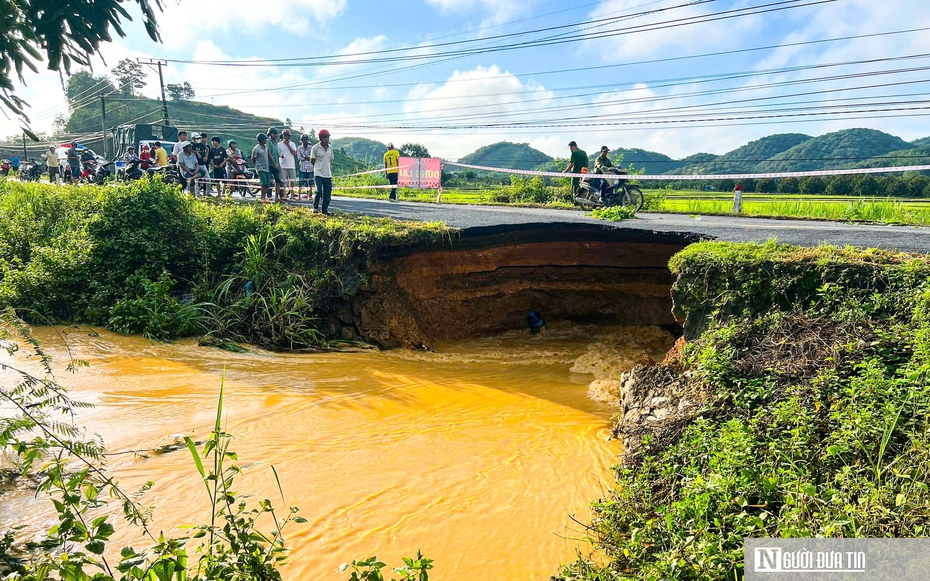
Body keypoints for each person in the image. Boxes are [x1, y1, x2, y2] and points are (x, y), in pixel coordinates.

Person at [310, 129, 335, 214]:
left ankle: (325, 210)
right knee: (319, 191)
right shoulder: (315, 148)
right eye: (324, 137)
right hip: (318, 173)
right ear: (320, 138)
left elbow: (330, 160)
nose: (326, 139)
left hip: (328, 174)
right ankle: (315, 207)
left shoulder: (330, 148)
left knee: (327, 195)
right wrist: (317, 168)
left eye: (328, 137)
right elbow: (312, 160)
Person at [251, 133, 273, 203]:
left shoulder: (266, 147)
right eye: (264, 140)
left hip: (266, 168)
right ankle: (262, 198)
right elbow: (253, 158)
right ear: (261, 140)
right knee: (264, 183)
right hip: (260, 168)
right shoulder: (256, 149)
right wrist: (256, 166)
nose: (266, 141)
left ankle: (265, 197)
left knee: (267, 184)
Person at [278, 129, 297, 199]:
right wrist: (280, 155)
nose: (286, 137)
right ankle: (284, 195)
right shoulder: (279, 144)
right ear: (282, 136)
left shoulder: (292, 144)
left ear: (289, 136)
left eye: (287, 135)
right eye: (284, 135)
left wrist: (288, 145)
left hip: (291, 165)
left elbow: (294, 153)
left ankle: (292, 195)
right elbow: (278, 153)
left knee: (292, 181)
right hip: (283, 165)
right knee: (283, 182)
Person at [266, 127, 283, 202]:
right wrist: (274, 163)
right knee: (269, 181)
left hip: (277, 163)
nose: (275, 135)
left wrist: (280, 156)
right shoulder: (268, 141)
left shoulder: (276, 142)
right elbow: (269, 153)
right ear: (270, 134)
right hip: (270, 164)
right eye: (274, 133)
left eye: (276, 133)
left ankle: (277, 197)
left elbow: (276, 152)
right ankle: (269, 196)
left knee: (278, 180)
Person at [297, 134, 314, 200]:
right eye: (303, 140)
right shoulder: (299, 148)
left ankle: (309, 195)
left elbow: (312, 157)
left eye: (306, 140)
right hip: (302, 168)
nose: (305, 141)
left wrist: (304, 157)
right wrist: (306, 157)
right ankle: (299, 195)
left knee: (310, 182)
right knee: (301, 182)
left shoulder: (311, 148)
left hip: (310, 167)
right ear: (301, 140)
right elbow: (299, 157)